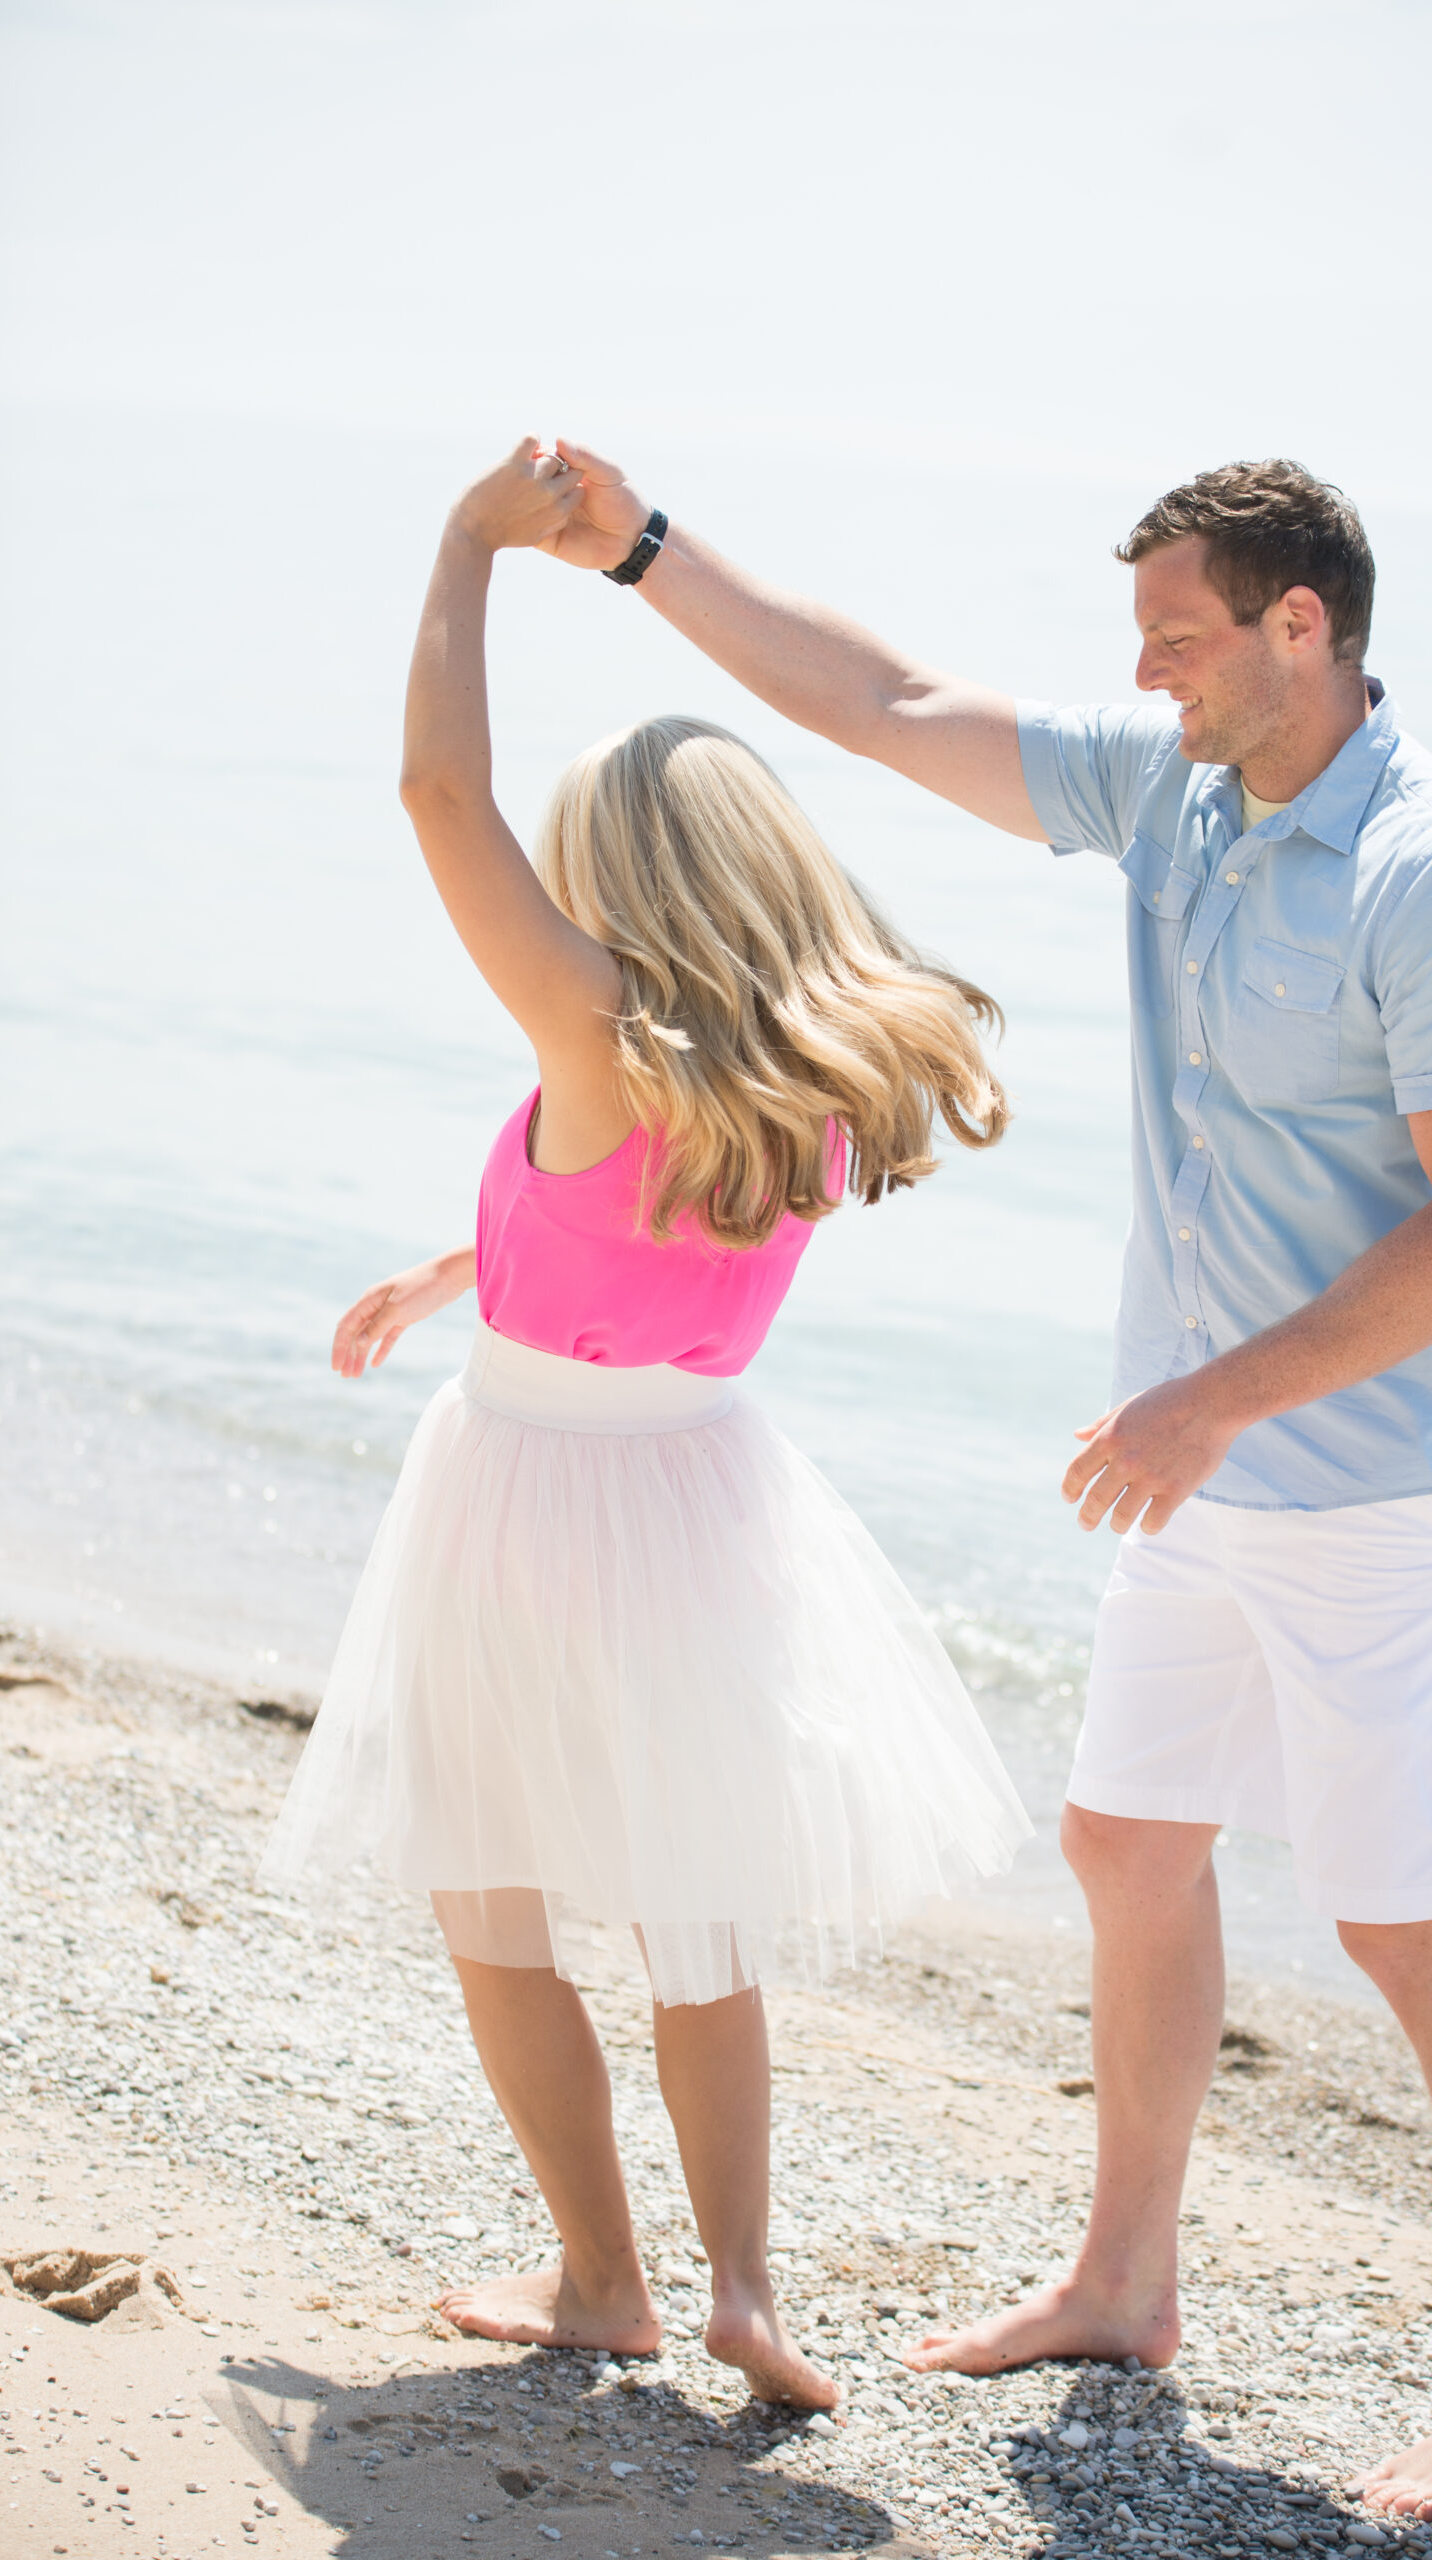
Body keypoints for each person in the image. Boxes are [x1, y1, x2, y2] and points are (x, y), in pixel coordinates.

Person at [518, 443, 1432, 2520]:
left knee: (1413, 1927)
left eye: (1181, 637)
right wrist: (643, 550)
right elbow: (882, 700)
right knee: (1127, 1834)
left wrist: (1210, 1403)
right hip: (1200, 1471)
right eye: (1144, 641)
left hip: (1389, 1486)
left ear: (1307, 626)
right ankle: (1127, 2272)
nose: (1149, 672)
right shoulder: (1182, 792)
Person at [258, 441, 1030, 2411]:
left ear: (617, 890)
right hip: (699, 1499)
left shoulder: (588, 1031)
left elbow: (436, 790)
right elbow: (631, 1253)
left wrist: (461, 551)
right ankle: (747, 2288)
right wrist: (462, 1262)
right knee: (699, 1909)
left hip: (519, 1499)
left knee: (493, 1898)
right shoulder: (809, 1089)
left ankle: (603, 2272)